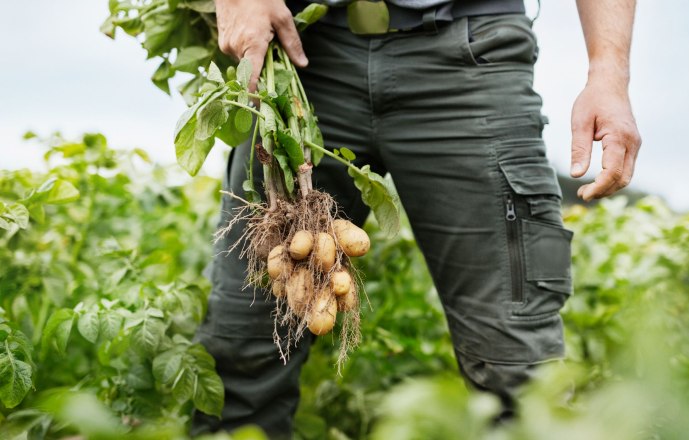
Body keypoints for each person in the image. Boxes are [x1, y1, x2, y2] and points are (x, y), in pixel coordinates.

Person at [191, 0, 641, 437]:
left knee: (519, 371)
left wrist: (609, 71)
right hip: (302, 49)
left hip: (471, 52)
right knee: (243, 352)